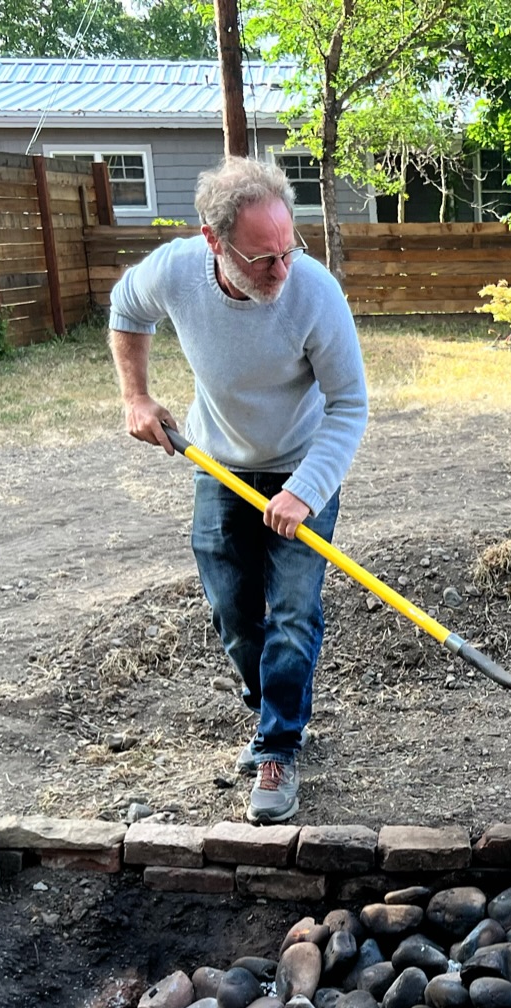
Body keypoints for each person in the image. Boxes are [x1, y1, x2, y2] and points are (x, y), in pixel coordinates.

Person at [107, 157, 368, 824]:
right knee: (233, 614)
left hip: (302, 465)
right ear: (213, 242)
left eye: (289, 250)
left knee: (293, 612)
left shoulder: (313, 293)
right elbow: (126, 309)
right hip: (219, 464)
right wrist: (135, 397)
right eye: (262, 260)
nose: (281, 272)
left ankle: (277, 746)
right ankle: (279, 713)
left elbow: (348, 405)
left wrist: (305, 491)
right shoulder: (173, 270)